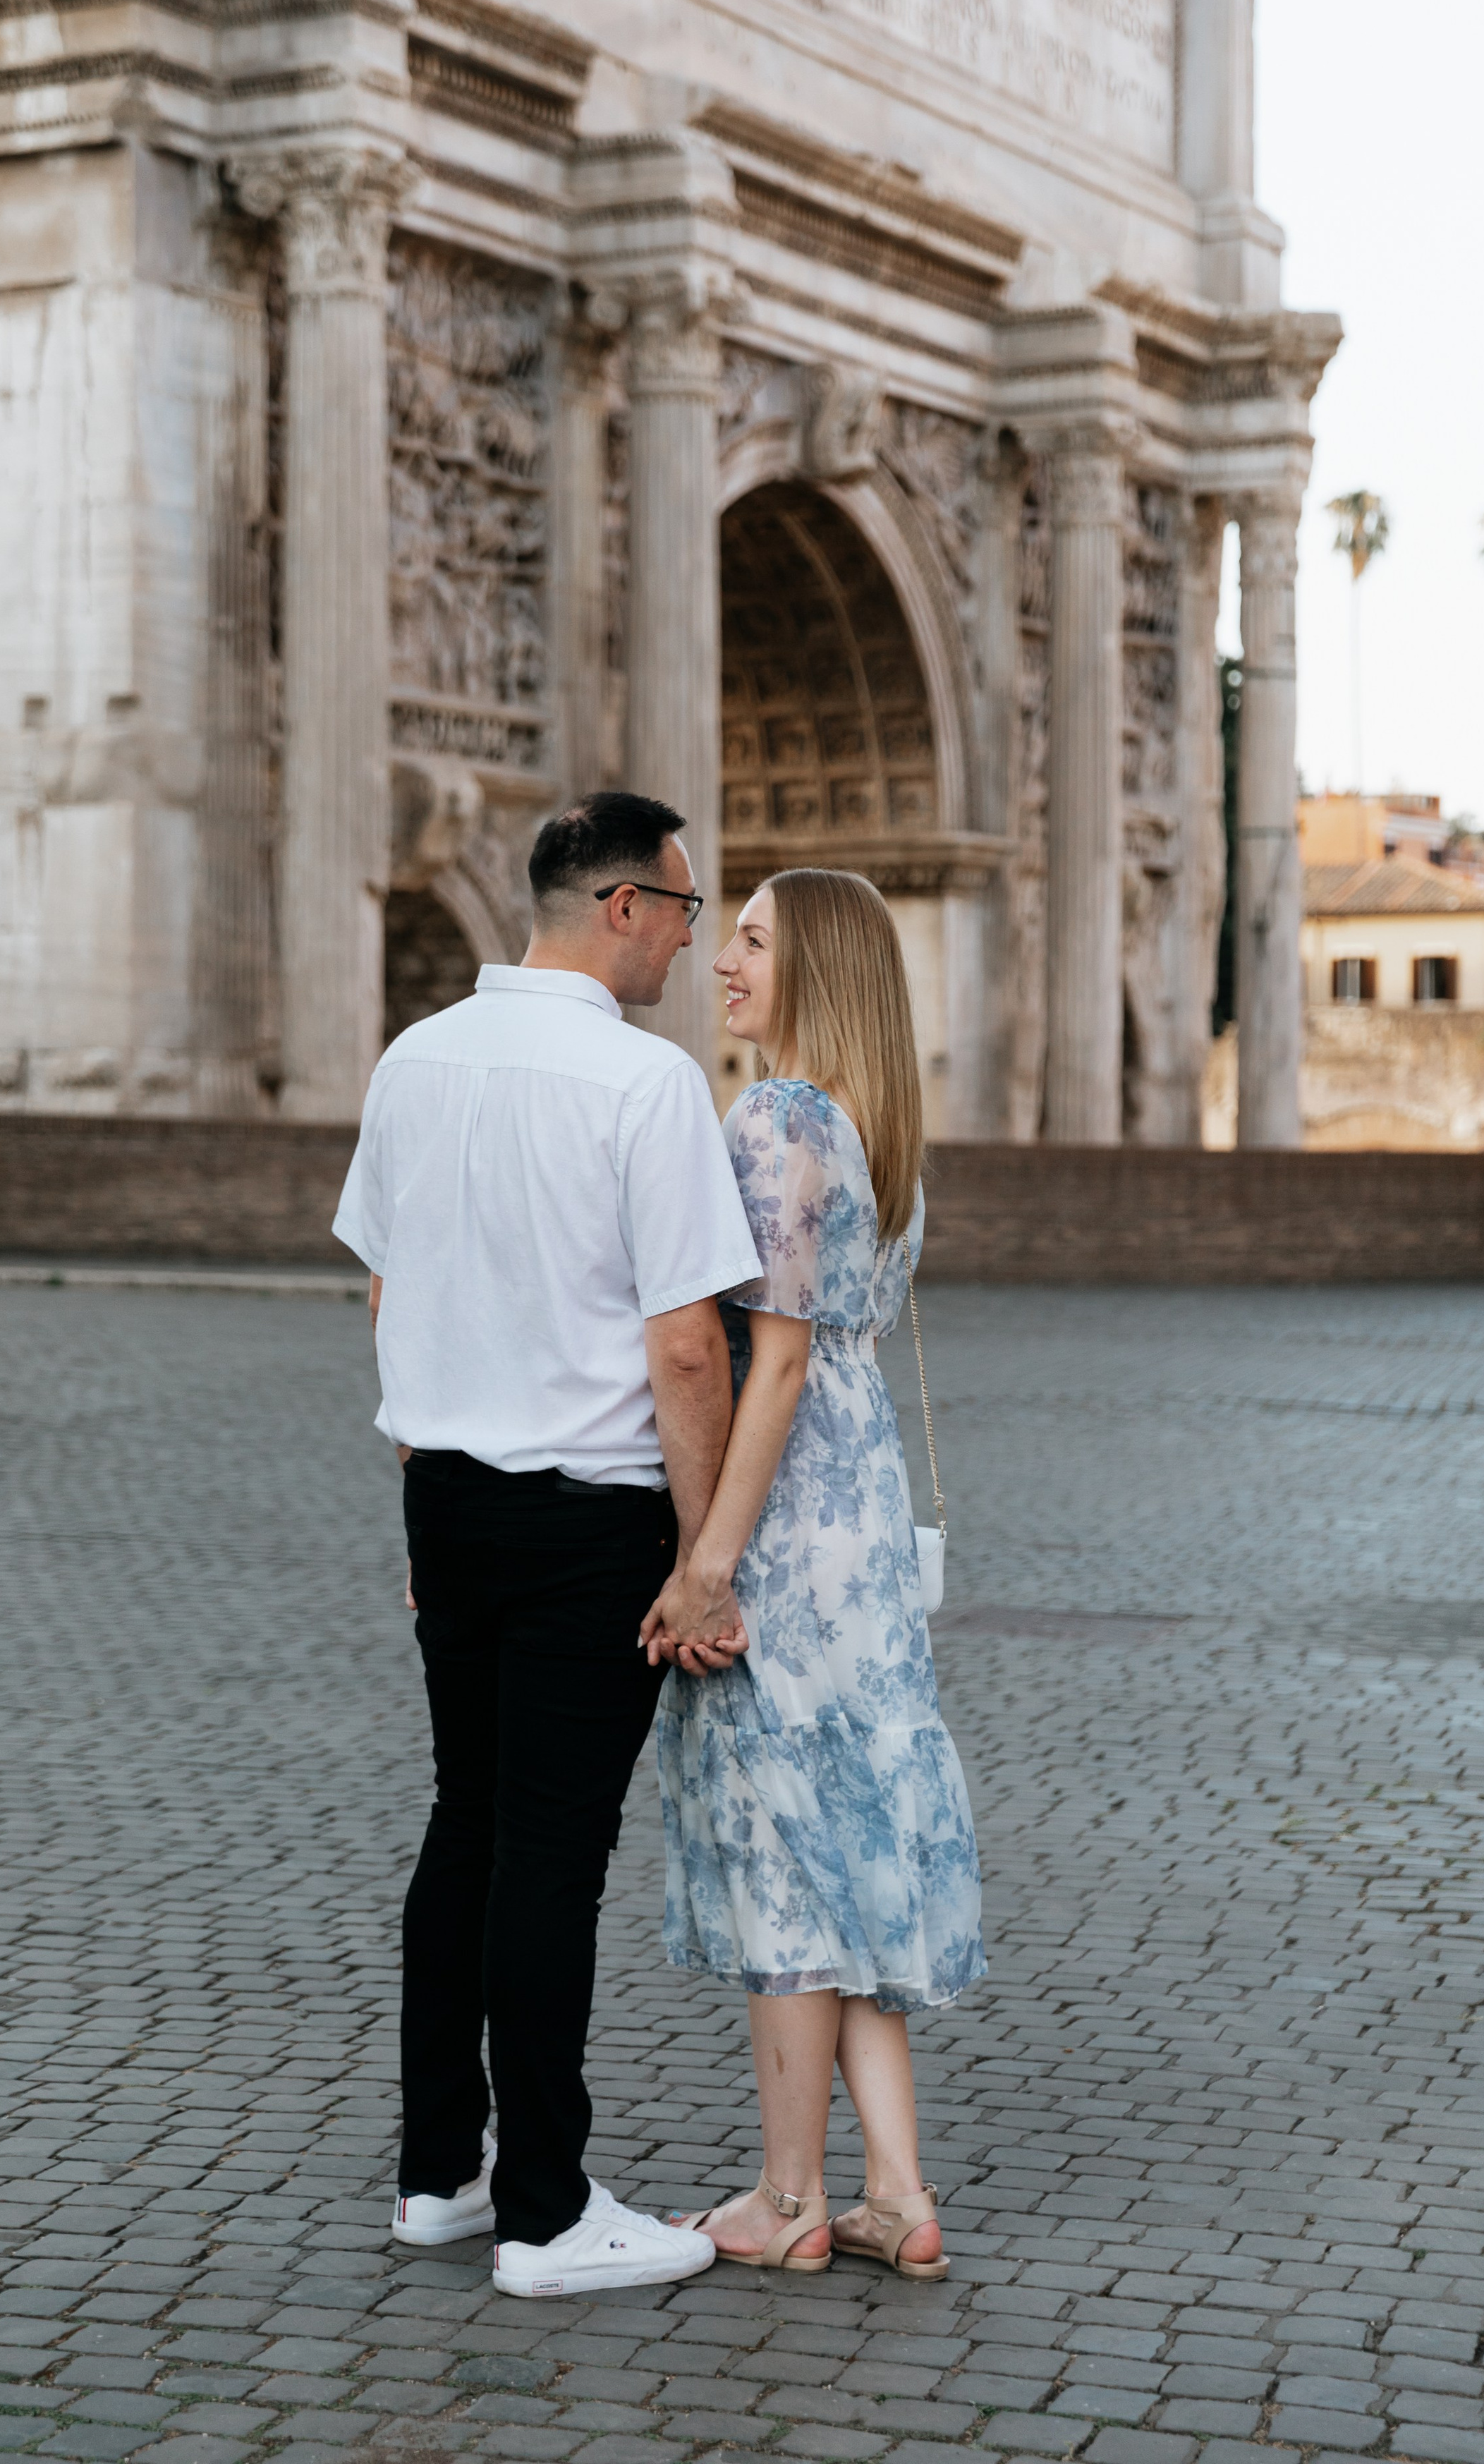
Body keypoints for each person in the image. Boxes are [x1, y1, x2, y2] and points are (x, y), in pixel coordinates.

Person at [333, 791, 763, 2299]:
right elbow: (686, 1350)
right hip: (591, 1518)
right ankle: (545, 2211)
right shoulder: (641, 1087)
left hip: (445, 1493)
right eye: (689, 909)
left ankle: (436, 2176)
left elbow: (388, 1295)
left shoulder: (413, 1058)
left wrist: (427, 1477)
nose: (692, 937)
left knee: (466, 1824)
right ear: (627, 907)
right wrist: (703, 1556)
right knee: (549, 1857)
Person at [648, 866, 987, 2280]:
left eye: (750, 942)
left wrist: (707, 1561)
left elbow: (766, 1358)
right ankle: (895, 2192)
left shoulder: (776, 1116)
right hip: (863, 1509)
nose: (721, 959)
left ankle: (788, 2196)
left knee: (783, 1848)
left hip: (782, 1517)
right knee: (854, 1835)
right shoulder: (871, 1127)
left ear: (814, 971)